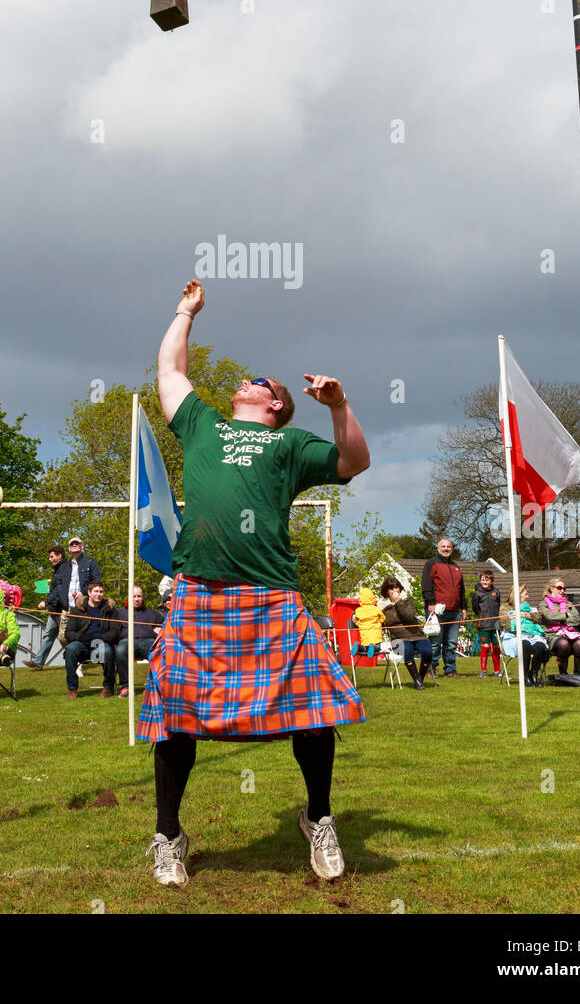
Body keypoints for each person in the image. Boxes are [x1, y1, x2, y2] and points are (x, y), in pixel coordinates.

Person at [138, 280, 369, 886]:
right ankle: (168, 835)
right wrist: (185, 312)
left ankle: (318, 819)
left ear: (275, 405)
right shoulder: (202, 427)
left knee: (313, 712)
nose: (251, 379)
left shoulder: (289, 443)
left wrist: (340, 406)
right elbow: (169, 370)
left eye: (263, 382)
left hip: (271, 594)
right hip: (199, 594)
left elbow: (354, 462)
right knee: (177, 716)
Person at [63, 581, 120, 698]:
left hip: (101, 643)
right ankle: (72, 688)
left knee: (107, 652)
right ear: (89, 593)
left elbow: (115, 631)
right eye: (96, 591)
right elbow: (68, 633)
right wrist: (82, 637)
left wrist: (101, 638)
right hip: (82, 643)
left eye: (101, 592)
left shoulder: (110, 609)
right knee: (70, 649)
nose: (98, 594)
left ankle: (108, 686)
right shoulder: (78, 609)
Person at [421, 538, 466, 677]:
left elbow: (462, 590)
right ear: (438, 548)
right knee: (435, 642)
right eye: (443, 546)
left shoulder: (456, 567)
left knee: (451, 643)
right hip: (436, 611)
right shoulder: (431, 564)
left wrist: (464, 607)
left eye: (448, 546)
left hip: (454, 611)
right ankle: (431, 669)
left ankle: (450, 670)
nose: (446, 548)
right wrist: (430, 603)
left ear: (451, 549)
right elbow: (426, 585)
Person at [378, 576, 432, 689]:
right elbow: (375, 617)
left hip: (417, 635)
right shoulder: (382, 606)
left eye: (396, 588)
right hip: (398, 638)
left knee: (428, 651)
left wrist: (398, 602)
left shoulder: (407, 600)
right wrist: (355, 617)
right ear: (386, 591)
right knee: (407, 650)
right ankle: (417, 682)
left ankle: (419, 680)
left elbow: (410, 617)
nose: (394, 591)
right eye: (391, 589)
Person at [114, 586, 164, 697]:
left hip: (148, 642)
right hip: (127, 642)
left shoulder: (153, 614)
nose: (137, 599)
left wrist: (159, 630)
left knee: (161, 649)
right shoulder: (118, 613)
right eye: (134, 596)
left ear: (142, 597)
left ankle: (159, 685)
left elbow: (163, 628)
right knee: (120, 650)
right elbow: (113, 631)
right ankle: (126, 687)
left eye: (139, 596)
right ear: (128, 597)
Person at [23, 544, 67, 670]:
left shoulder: (64, 569)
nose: (49, 559)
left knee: (65, 638)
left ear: (59, 556)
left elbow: (59, 590)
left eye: (51, 556)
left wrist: (46, 601)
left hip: (62, 609)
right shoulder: (57, 569)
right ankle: (38, 662)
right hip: (54, 609)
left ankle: (72, 661)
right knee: (48, 635)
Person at [538, 580, 580, 678]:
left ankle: (577, 676)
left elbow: (576, 619)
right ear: (552, 589)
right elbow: (549, 617)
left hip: (570, 633)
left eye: (564, 588)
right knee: (563, 644)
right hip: (553, 635)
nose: (562, 590)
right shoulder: (543, 604)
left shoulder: (569, 603)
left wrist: (559, 619)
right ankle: (563, 675)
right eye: (559, 588)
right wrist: (565, 615)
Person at [503, 586, 548, 687]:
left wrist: (526, 615)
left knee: (540, 646)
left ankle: (534, 675)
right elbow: (505, 622)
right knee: (525, 644)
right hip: (514, 636)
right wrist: (521, 625)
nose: (528, 597)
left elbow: (539, 619)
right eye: (526, 595)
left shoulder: (530, 608)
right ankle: (525, 676)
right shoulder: (505, 608)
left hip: (532, 636)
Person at [472, 570, 502, 678]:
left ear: (491, 581)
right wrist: (481, 617)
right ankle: (483, 671)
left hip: (495, 624)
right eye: (483, 579)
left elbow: (498, 605)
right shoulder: (477, 594)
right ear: (480, 581)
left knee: (496, 646)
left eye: (487, 580)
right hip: (483, 624)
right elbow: (475, 608)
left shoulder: (496, 592)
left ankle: (497, 670)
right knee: (485, 646)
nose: (484, 581)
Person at [351, 587, 384, 660]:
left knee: (364, 648)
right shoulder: (376, 609)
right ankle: (373, 647)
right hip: (376, 637)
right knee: (377, 648)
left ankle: (359, 647)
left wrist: (357, 623)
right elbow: (383, 617)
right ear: (372, 597)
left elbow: (358, 623)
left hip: (365, 639)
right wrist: (379, 622)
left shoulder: (358, 611)